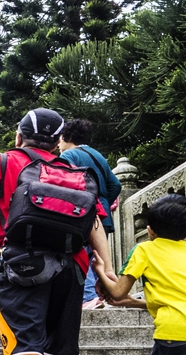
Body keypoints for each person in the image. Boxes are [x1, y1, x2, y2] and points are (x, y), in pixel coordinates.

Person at [0, 108, 117, 355]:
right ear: (55, 143)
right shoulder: (70, 169)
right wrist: (108, 271)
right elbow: (93, 221)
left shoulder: (2, 160)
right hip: (71, 268)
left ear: (19, 137)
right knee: (63, 348)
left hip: (23, 264)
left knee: (24, 347)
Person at [93, 194, 186, 355]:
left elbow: (118, 293)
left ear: (150, 230)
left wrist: (100, 270)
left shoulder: (144, 250)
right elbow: (184, 299)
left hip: (176, 333)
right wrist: (134, 302)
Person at [57, 118, 123, 308]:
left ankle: (87, 298)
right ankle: (101, 296)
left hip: (81, 213)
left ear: (67, 136)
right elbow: (115, 185)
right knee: (98, 258)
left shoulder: (69, 156)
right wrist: (103, 203)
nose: (58, 143)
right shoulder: (97, 156)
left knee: (81, 257)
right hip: (103, 217)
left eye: (60, 138)